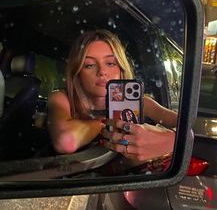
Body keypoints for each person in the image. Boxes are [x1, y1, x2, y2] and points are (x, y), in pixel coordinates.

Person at [48, 29, 177, 164]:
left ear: (121, 68)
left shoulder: (138, 102)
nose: (102, 72)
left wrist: (170, 141)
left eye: (110, 63)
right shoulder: (62, 99)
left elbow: (188, 127)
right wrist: (107, 123)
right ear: (77, 72)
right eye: (90, 65)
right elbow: (66, 142)